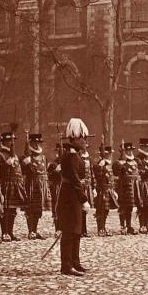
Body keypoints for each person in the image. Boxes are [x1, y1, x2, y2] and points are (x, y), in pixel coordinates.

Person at [57, 118, 92, 276]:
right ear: (74, 138)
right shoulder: (71, 157)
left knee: (77, 230)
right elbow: (75, 180)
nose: (85, 141)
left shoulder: (74, 156)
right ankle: (66, 265)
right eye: (82, 138)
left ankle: (75, 262)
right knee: (69, 231)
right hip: (70, 197)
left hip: (73, 196)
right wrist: (84, 199)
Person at [0, 131, 27, 241]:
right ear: (4, 141)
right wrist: (5, 164)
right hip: (5, 184)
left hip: (15, 185)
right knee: (5, 209)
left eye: (13, 140)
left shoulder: (14, 154)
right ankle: (4, 232)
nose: (12, 143)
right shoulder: (0, 155)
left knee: (13, 210)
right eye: (10, 140)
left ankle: (10, 231)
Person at [21, 134, 51, 239]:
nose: (36, 144)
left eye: (38, 143)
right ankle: (31, 231)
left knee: (38, 209)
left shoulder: (43, 157)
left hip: (41, 184)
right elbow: (22, 172)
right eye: (34, 143)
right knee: (30, 208)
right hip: (31, 184)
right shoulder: (26, 157)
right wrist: (26, 163)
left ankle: (35, 230)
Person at [113, 142, 141, 235]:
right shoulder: (119, 163)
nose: (129, 152)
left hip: (133, 186)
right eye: (127, 150)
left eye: (130, 150)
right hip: (123, 187)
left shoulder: (135, 161)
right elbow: (116, 173)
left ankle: (129, 225)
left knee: (130, 207)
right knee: (123, 207)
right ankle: (122, 226)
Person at [93, 145, 119, 236]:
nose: (110, 155)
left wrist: (113, 190)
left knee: (106, 210)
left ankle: (103, 228)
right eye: (109, 153)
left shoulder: (108, 165)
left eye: (111, 154)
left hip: (108, 189)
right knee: (100, 210)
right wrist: (100, 166)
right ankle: (100, 229)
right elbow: (97, 176)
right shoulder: (100, 164)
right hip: (102, 190)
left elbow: (111, 178)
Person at [47, 143, 63, 228]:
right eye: (58, 151)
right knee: (57, 207)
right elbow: (49, 175)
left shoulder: (67, 162)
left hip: (66, 187)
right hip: (57, 187)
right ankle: (57, 228)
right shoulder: (53, 164)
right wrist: (55, 171)